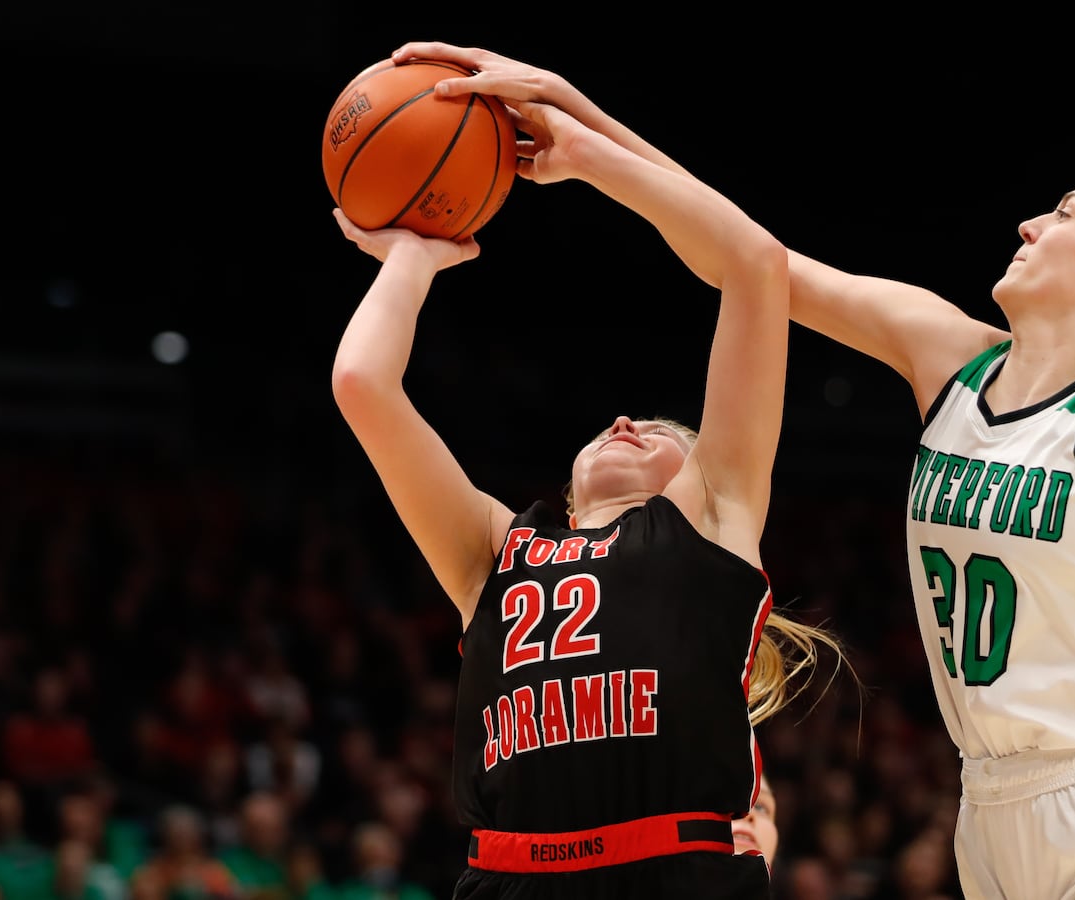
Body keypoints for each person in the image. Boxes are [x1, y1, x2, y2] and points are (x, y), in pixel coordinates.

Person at [386, 42, 1075, 899]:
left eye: (1062, 213)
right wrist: (576, 123)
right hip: (986, 816)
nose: (1028, 220)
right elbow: (750, 258)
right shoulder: (942, 354)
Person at [328, 65, 840, 900]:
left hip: (672, 873)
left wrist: (591, 157)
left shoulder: (710, 516)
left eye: (669, 435)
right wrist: (413, 259)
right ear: (566, 492)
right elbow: (362, 385)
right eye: (617, 426)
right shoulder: (497, 549)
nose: (629, 421)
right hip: (505, 879)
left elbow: (754, 263)